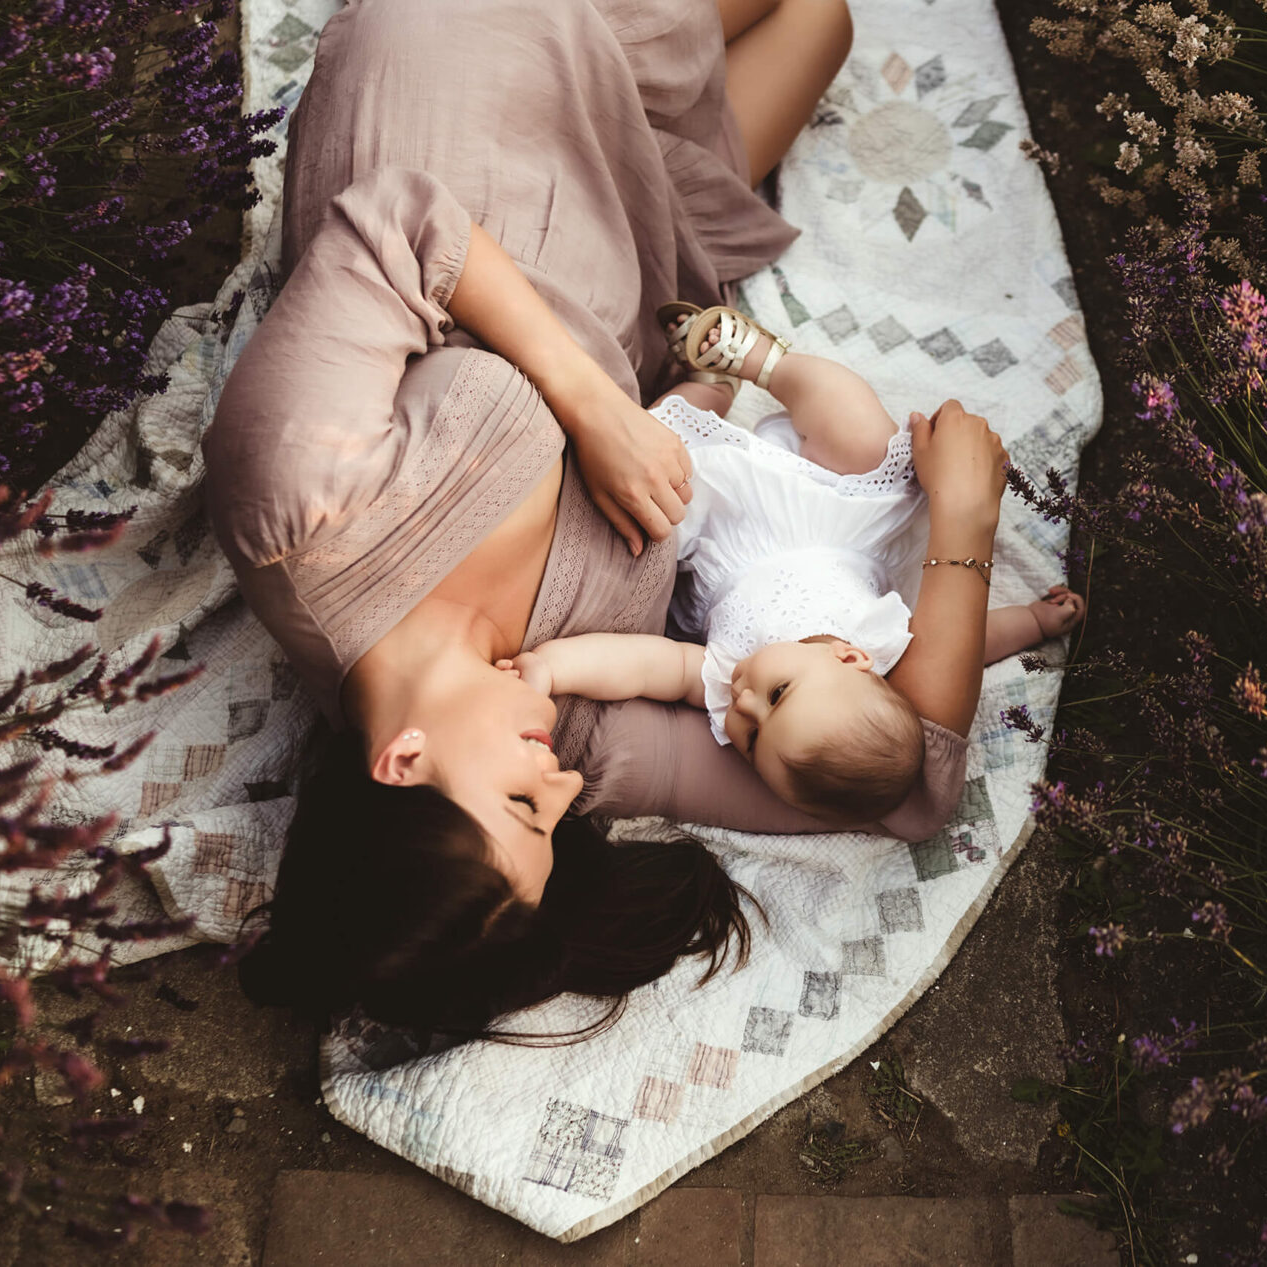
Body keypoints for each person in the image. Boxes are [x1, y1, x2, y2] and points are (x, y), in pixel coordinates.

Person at [201, 0, 1010, 1035]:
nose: (566, 779)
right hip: (636, 254)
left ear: (401, 763)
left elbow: (403, 220)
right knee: (825, 20)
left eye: (523, 803)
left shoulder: (298, 514)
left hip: (476, 78)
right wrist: (965, 529)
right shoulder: (571, 714)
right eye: (556, 815)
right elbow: (908, 789)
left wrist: (595, 414)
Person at [503, 309, 1084, 824]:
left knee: (664, 471)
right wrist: (1033, 622)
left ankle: (706, 387)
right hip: (834, 526)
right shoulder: (885, 646)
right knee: (861, 430)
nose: (746, 704)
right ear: (851, 658)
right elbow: (969, 645)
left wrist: (555, 670)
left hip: (723, 543)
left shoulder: (725, 675)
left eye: (751, 740)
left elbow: (644, 665)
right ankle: (760, 359)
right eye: (778, 693)